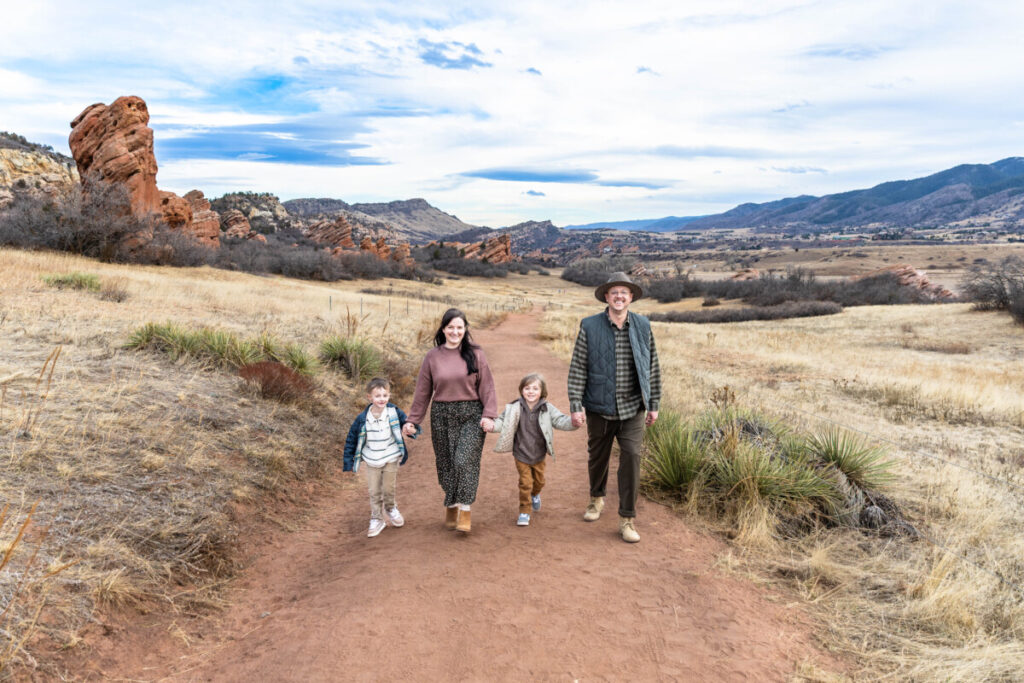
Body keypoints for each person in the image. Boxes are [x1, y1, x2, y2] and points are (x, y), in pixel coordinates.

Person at [567, 272, 661, 543]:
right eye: (614, 292)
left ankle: (627, 519)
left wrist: (653, 404)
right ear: (606, 297)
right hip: (598, 407)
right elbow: (577, 368)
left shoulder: (643, 325)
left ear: (631, 298)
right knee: (598, 457)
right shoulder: (589, 325)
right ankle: (596, 499)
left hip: (633, 408)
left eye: (625, 292)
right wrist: (576, 404)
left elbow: (652, 366)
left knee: (631, 458)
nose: (619, 296)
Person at [403, 308, 497, 533]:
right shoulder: (432, 356)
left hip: (471, 413)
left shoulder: (476, 354)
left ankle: (464, 509)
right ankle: (452, 503)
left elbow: (488, 387)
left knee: (464, 460)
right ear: (443, 329)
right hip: (441, 415)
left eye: (460, 327)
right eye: (451, 327)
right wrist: (413, 420)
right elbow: (423, 391)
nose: (455, 332)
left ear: (465, 329)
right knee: (446, 463)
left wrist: (489, 415)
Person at [490, 373, 577, 526]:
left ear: (542, 391)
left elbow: (560, 420)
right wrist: (492, 426)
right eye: (527, 388)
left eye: (535, 388)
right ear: (521, 390)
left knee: (539, 481)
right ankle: (524, 511)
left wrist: (573, 422)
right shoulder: (514, 407)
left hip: (539, 454)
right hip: (521, 453)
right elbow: (501, 421)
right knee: (525, 483)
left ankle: (536, 494)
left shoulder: (547, 408)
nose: (531, 391)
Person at [343, 377, 418, 538]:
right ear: (369, 397)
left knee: (388, 489)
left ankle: (391, 509)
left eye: (385, 395)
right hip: (372, 460)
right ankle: (377, 518)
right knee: (374, 491)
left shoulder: (393, 412)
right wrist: (349, 461)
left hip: (391, 457)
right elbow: (351, 439)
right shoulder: (362, 419)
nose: (381, 399)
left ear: (389, 396)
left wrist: (412, 429)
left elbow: (407, 423)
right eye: (377, 396)